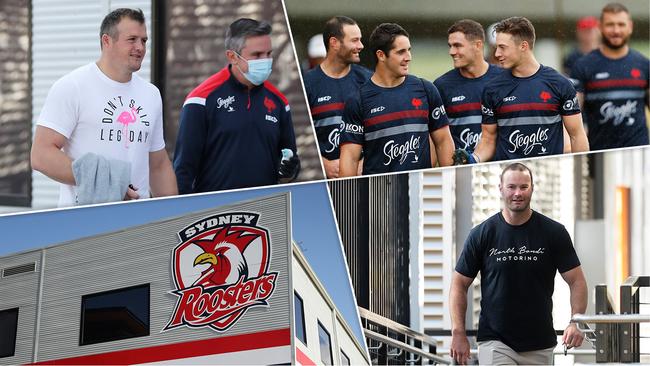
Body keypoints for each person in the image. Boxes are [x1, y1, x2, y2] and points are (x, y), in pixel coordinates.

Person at [31, 8, 177, 207]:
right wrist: (109, 183)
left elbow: (158, 165)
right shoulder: (73, 86)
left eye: (144, 40)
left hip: (138, 223)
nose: (140, 47)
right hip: (85, 221)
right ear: (106, 41)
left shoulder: (151, 94)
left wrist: (172, 216)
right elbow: (41, 155)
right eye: (132, 39)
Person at [450, 163, 587, 365]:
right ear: (500, 188)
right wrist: (458, 332)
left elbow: (577, 281)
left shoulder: (553, 233)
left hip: (540, 343)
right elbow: (459, 284)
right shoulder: (482, 234)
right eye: (511, 187)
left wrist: (576, 321)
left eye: (524, 187)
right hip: (495, 342)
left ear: (532, 188)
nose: (517, 193)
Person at [173, 18, 299, 194]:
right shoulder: (201, 99)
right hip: (213, 212)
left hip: (265, 209)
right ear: (232, 56)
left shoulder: (279, 102)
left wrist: (289, 171)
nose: (266, 60)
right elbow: (184, 169)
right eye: (256, 55)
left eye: (268, 53)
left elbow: (289, 161)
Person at [459, 17, 589, 164]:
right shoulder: (492, 89)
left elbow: (576, 135)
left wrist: (581, 173)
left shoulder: (560, 84)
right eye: (496, 48)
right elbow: (488, 140)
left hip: (549, 175)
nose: (496, 54)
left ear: (523, 46)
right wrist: (473, 159)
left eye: (503, 47)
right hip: (508, 179)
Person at [339, 23, 454, 176]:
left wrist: (452, 183)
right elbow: (350, 159)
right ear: (381, 55)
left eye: (409, 50)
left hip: (421, 191)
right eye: (401, 52)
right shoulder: (358, 101)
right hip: (379, 194)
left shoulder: (426, 89)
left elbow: (443, 141)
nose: (408, 57)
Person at [570, 3, 649, 151]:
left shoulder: (644, 65)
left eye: (621, 24)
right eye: (610, 25)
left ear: (630, 26)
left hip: (640, 154)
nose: (616, 30)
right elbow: (572, 117)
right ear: (600, 27)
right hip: (599, 155)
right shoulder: (583, 66)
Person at [303, 16, 371, 178]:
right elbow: (294, 136)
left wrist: (364, 163)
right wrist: (322, 163)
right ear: (334, 43)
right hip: (319, 183)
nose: (360, 46)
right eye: (354, 40)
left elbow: (382, 130)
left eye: (360, 40)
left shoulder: (369, 81)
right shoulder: (306, 83)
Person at [434, 19, 503, 155]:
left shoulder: (504, 80)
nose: (452, 52)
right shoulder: (441, 86)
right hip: (462, 171)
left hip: (501, 169)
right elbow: (438, 141)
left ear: (478, 45)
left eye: (457, 45)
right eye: (450, 46)